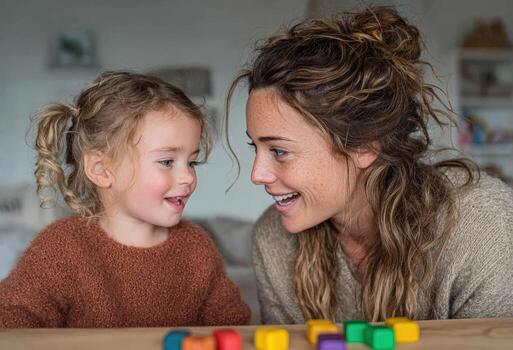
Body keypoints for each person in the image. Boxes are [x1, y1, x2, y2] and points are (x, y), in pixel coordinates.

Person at [225, 6, 513, 323]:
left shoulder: (480, 224)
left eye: (279, 151)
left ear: (362, 146)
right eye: (257, 147)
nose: (257, 175)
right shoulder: (273, 239)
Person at [0, 71, 250, 327]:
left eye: (192, 162)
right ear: (101, 170)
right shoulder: (60, 248)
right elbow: (11, 321)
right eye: (167, 161)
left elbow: (234, 325)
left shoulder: (196, 247)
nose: (187, 176)